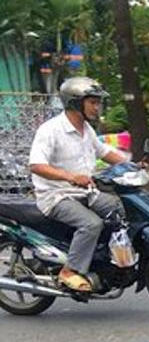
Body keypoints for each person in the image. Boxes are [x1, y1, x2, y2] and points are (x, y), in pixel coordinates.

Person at [27, 77, 134, 292]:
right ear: (75, 103)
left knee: (120, 209)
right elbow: (36, 165)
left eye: (98, 103)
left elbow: (104, 152)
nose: (97, 107)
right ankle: (70, 271)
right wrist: (70, 176)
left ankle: (108, 260)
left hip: (85, 192)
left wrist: (133, 166)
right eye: (93, 102)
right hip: (56, 196)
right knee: (91, 224)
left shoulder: (86, 130)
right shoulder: (51, 130)